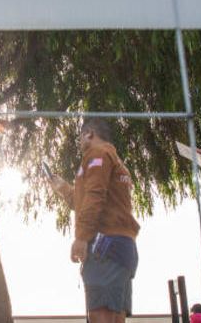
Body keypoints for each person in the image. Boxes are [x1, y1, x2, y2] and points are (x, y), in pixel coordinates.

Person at [48, 118, 140, 323]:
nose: (80, 142)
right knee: (115, 315)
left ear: (89, 134)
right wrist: (63, 188)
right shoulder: (114, 159)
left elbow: (95, 196)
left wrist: (81, 237)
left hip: (104, 246)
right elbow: (89, 200)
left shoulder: (97, 155)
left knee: (101, 315)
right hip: (121, 247)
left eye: (81, 137)